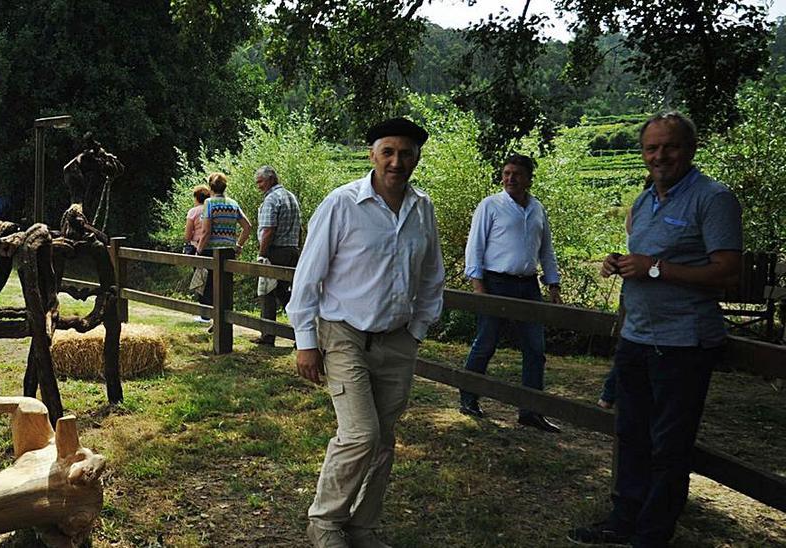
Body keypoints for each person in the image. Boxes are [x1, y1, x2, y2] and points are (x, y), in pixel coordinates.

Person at [569, 112, 742, 547]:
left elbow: (728, 273)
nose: (660, 155)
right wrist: (620, 264)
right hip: (638, 337)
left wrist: (656, 268)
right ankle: (622, 521)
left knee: (669, 448)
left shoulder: (713, 198)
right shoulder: (645, 200)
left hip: (683, 342)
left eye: (671, 146)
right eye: (652, 147)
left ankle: (652, 535)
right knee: (630, 437)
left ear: (691, 148)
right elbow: (643, 263)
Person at [288, 118, 444, 548]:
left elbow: (432, 276)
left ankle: (362, 527)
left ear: (416, 158)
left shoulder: (422, 208)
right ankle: (324, 522)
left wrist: (416, 331)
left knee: (384, 439)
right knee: (361, 434)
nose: (397, 161)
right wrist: (305, 342)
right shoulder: (342, 204)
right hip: (344, 335)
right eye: (388, 151)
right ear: (372, 154)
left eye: (406, 153)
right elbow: (307, 277)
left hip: (398, 339)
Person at [457, 154, 563, 433]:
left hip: (528, 285)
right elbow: (475, 247)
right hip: (496, 283)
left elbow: (546, 250)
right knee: (486, 342)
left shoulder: (538, 208)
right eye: (506, 173)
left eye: (516, 173)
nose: (510, 178)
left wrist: (553, 284)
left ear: (529, 178)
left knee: (535, 349)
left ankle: (531, 411)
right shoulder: (490, 206)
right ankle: (468, 398)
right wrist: (478, 287)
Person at [251, 165, 302, 345]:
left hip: (276, 251)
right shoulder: (291, 196)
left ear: (271, 179)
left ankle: (268, 335)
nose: (258, 186)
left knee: (267, 292)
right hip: (292, 250)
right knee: (286, 293)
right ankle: (301, 333)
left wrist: (262, 255)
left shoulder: (272, 199)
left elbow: (268, 231)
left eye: (261, 182)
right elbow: (300, 227)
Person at [195, 172, 252, 321]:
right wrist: (238, 245)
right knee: (225, 288)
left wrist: (199, 250)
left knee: (209, 287)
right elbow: (247, 227)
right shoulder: (233, 203)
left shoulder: (209, 203)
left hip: (211, 251)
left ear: (210, 187)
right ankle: (223, 320)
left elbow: (206, 231)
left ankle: (212, 318)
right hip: (228, 251)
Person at [183, 184, 213, 322]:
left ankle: (205, 314)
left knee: (201, 280)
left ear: (196, 197)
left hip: (198, 248)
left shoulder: (193, 212)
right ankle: (214, 312)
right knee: (213, 281)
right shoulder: (211, 209)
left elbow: (187, 235)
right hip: (213, 248)